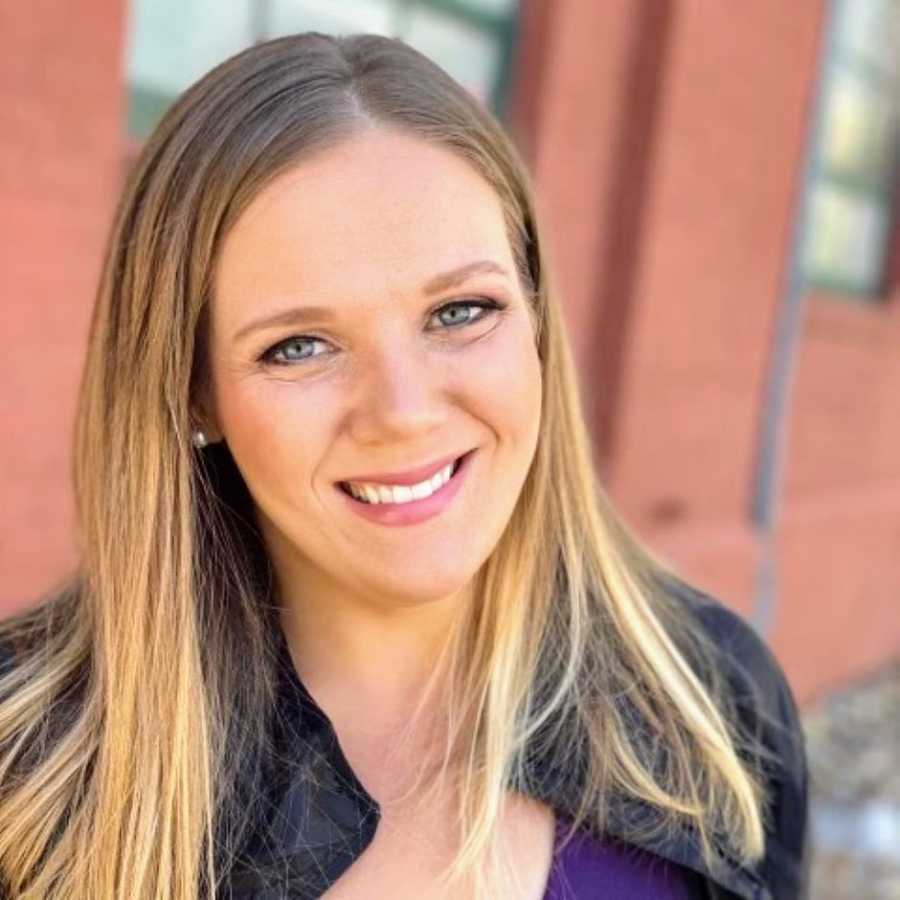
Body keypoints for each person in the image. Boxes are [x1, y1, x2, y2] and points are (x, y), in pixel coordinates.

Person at [0, 33, 808, 900]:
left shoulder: (709, 691)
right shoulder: (29, 769)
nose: (405, 412)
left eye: (461, 310)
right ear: (193, 391)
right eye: (299, 346)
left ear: (534, 321)